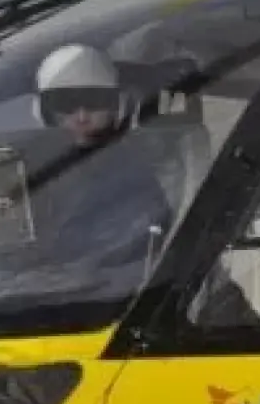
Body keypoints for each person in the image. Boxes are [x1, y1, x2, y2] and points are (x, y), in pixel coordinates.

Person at [29, 43, 174, 271]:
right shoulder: (33, 169)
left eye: (95, 101)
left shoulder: (134, 171)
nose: (82, 116)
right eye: (65, 103)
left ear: (117, 106)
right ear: (45, 111)